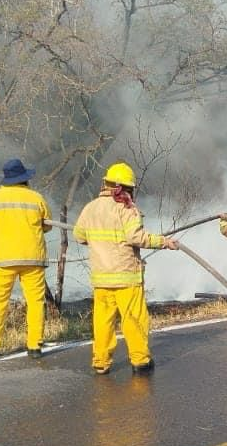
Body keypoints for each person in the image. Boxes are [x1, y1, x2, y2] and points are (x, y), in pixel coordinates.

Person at [73, 161, 178, 375]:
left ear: (106, 183)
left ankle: (101, 363)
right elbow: (136, 237)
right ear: (125, 187)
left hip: (101, 279)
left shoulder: (90, 208)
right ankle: (140, 361)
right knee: (133, 320)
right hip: (126, 277)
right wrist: (163, 242)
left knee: (103, 323)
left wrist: (98, 240)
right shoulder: (126, 208)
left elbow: (79, 235)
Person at [0, 158, 50, 360]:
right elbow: (46, 225)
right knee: (35, 302)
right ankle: (35, 346)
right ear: (24, 179)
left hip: (2, 258)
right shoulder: (36, 198)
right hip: (32, 258)